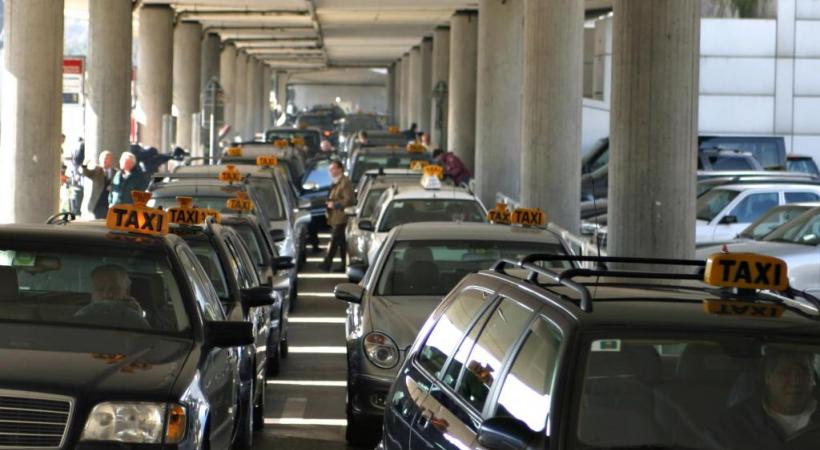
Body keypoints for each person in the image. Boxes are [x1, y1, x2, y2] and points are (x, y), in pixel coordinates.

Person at [714, 349, 820, 449]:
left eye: (803, 372)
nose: (795, 382)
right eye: (785, 373)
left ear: (813, 379)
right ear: (768, 377)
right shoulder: (735, 422)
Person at [74, 264, 148, 329]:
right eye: (100, 289)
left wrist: (137, 316)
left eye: (114, 289)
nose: (107, 295)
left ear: (127, 291)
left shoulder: (134, 318)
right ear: (92, 292)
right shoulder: (79, 319)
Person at [321, 160, 354, 272]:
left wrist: (335, 204)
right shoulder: (336, 181)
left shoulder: (345, 182)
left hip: (342, 217)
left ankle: (326, 264)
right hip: (335, 217)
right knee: (342, 243)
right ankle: (344, 265)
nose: (330, 171)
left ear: (340, 169)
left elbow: (349, 199)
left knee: (335, 240)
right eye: (330, 169)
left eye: (333, 169)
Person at [79, 150, 114, 219]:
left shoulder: (115, 172)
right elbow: (86, 172)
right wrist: (84, 165)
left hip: (110, 203)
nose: (104, 161)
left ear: (111, 160)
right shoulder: (97, 170)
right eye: (102, 159)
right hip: (98, 203)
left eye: (106, 158)